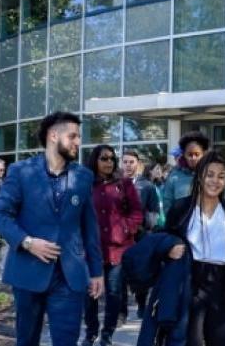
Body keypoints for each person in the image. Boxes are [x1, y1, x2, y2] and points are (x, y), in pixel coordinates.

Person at [0, 112, 104, 346]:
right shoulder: (21, 171)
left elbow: (89, 227)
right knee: (27, 341)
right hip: (27, 271)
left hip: (69, 275)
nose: (78, 142)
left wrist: (96, 271)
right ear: (54, 136)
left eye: (79, 136)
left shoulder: (83, 176)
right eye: (72, 136)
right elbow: (0, 215)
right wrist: (28, 242)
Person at [162, 151, 225, 346]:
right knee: (190, 341)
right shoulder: (181, 208)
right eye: (210, 174)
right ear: (200, 176)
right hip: (190, 280)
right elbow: (165, 237)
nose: (215, 181)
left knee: (219, 341)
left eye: (221, 176)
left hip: (222, 283)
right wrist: (169, 248)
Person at [82, 145, 143, 346]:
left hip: (118, 249)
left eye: (111, 158)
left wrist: (125, 229)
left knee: (115, 293)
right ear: (95, 161)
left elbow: (137, 212)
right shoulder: (85, 184)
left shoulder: (124, 184)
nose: (109, 162)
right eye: (104, 158)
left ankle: (107, 334)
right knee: (90, 294)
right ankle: (91, 332)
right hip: (92, 250)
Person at [120, 150, 159, 321]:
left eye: (131, 162)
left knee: (139, 271)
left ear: (138, 164)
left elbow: (153, 212)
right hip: (119, 236)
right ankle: (121, 311)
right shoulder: (115, 184)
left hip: (140, 235)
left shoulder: (147, 186)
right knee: (119, 273)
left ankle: (142, 303)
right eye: (125, 162)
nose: (128, 165)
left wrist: (148, 230)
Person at [162, 131, 209, 214]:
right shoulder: (174, 177)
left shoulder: (211, 175)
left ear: (204, 154)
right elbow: (167, 205)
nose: (193, 158)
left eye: (197, 154)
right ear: (184, 155)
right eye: (190, 155)